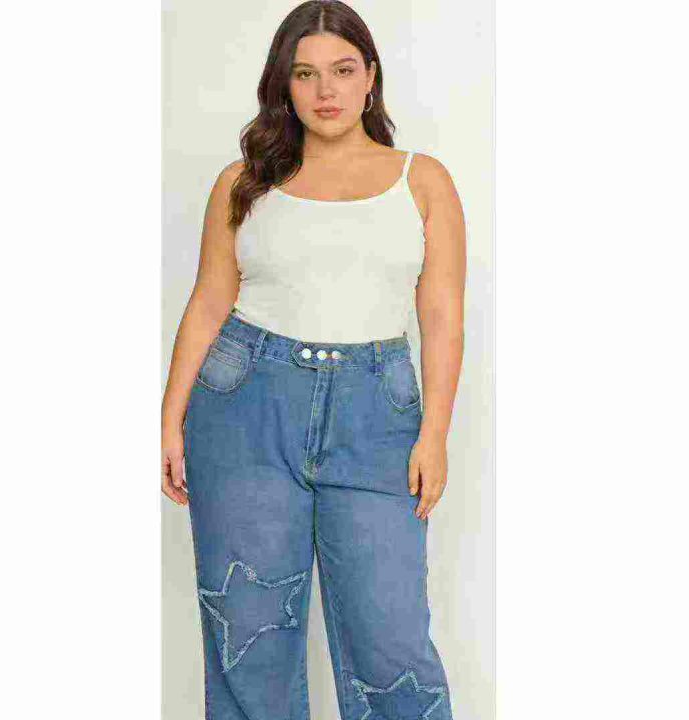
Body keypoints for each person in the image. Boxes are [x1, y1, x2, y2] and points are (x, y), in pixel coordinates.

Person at [161, 2, 466, 718]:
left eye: (342, 70)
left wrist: (435, 435)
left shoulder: (422, 180)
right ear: (285, 84)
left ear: (371, 78)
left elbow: (443, 318)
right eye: (305, 74)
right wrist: (171, 420)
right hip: (244, 408)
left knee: (391, 640)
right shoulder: (245, 181)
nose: (325, 90)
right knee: (250, 631)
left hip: (377, 416)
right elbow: (209, 301)